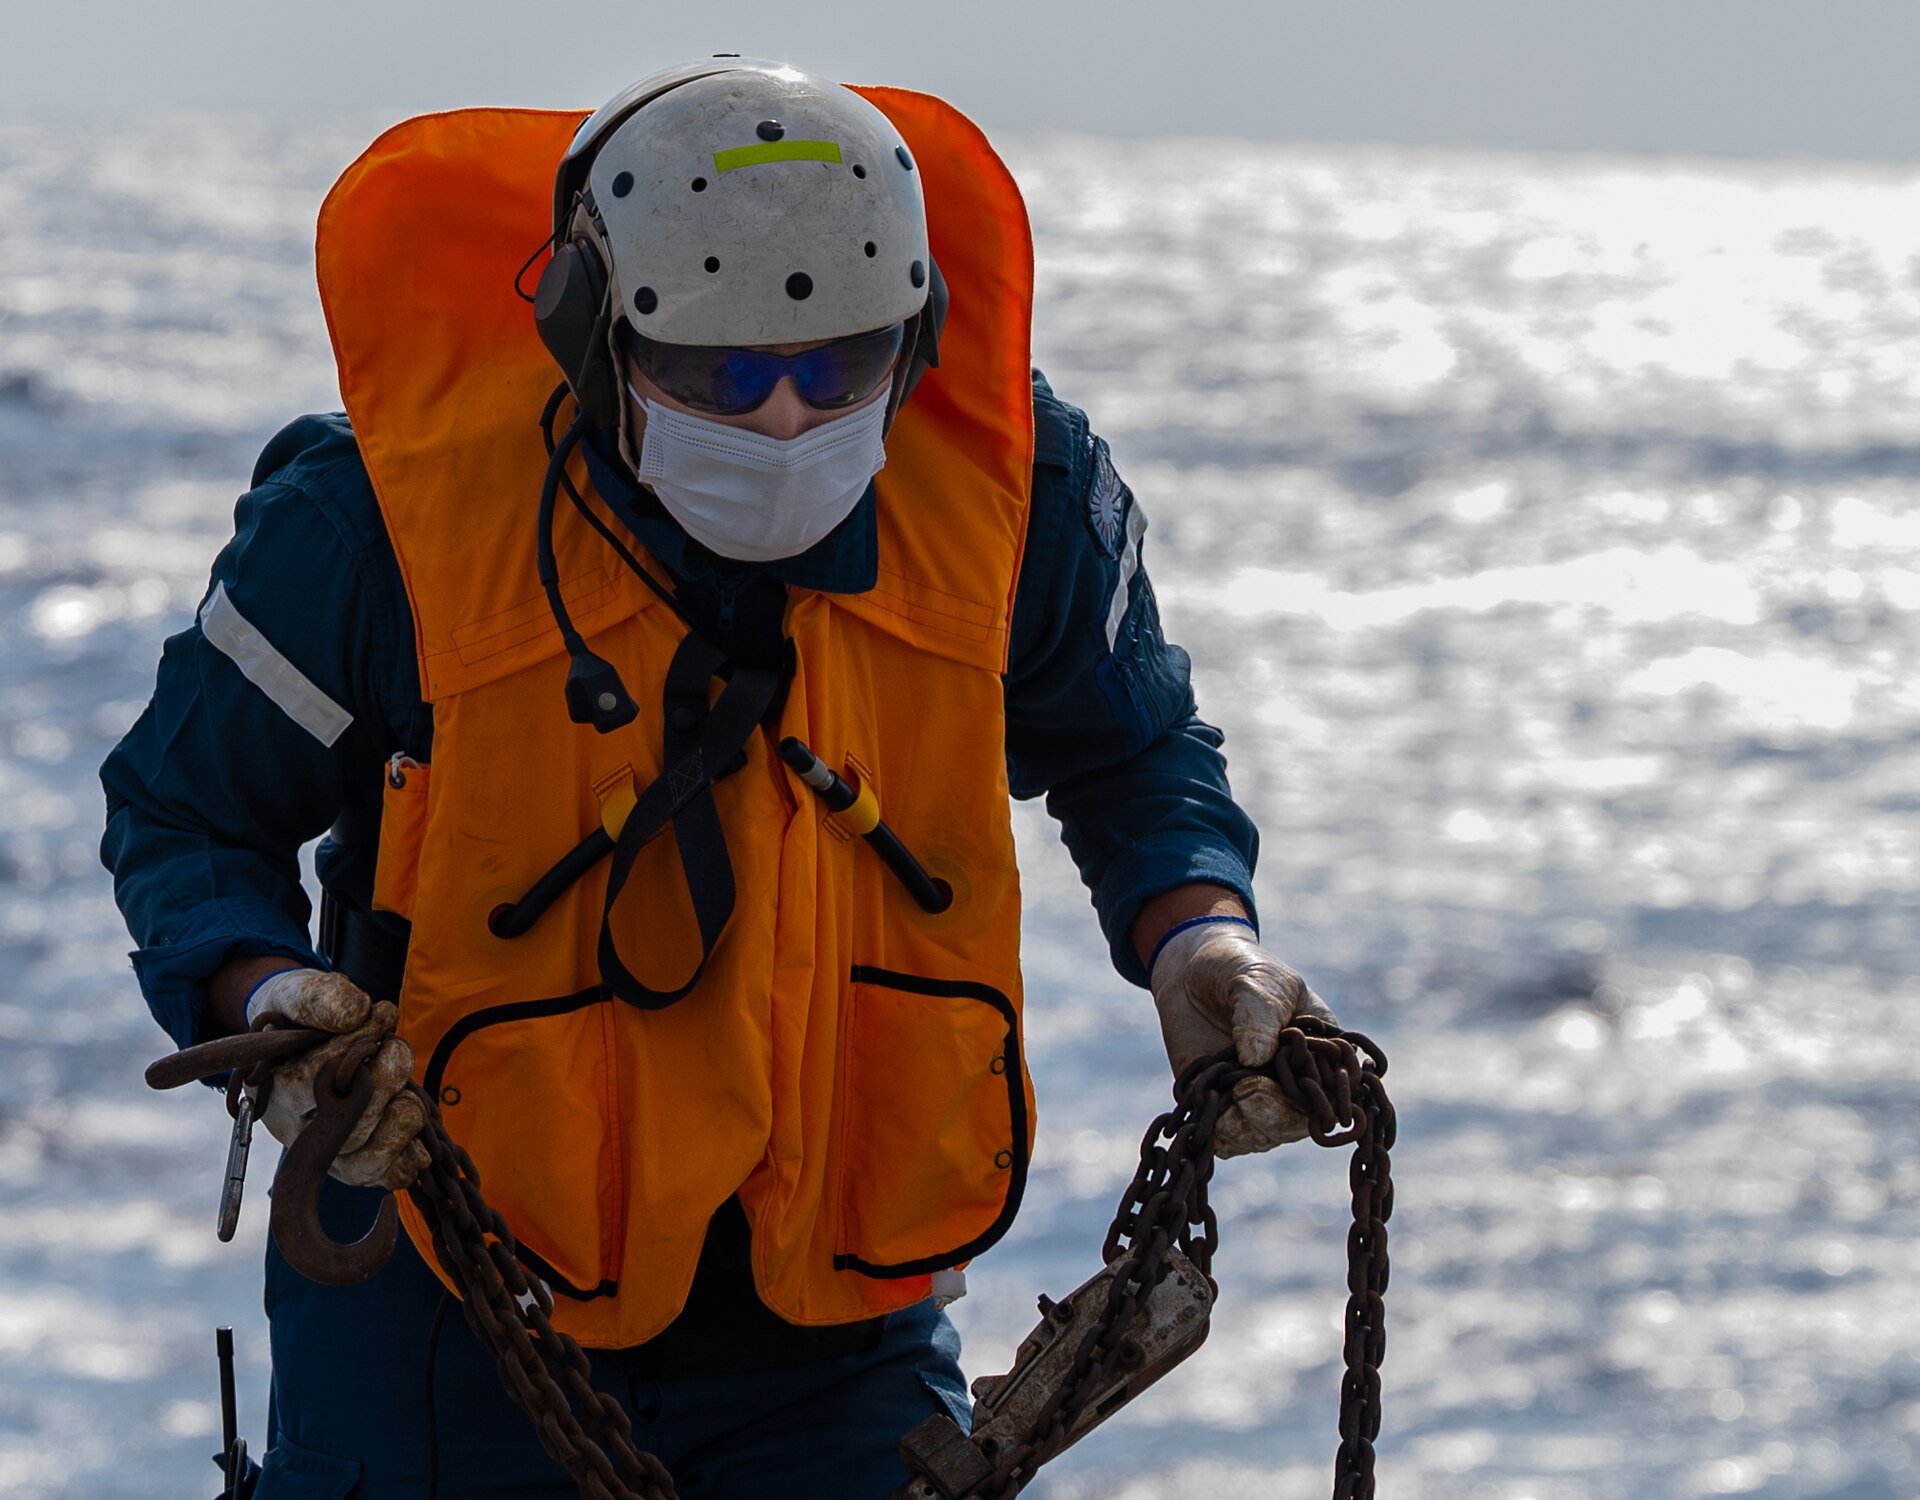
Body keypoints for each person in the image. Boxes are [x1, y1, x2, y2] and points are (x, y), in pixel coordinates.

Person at [100, 59, 1335, 1500]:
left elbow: (1133, 751)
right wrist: (266, 1006)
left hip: (839, 1330)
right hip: (441, 1303)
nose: (786, 422)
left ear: (916, 339)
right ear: (592, 334)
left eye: (839, 369)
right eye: (721, 377)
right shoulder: (374, 524)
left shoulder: (1016, 502)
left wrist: (1198, 936)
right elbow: (185, 813)